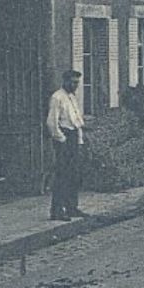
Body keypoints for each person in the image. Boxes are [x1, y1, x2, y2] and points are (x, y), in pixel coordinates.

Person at [45, 69, 87, 221]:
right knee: (62, 174)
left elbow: (76, 121)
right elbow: (51, 122)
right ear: (65, 81)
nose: (75, 85)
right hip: (64, 138)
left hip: (73, 137)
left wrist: (79, 140)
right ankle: (57, 210)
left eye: (77, 83)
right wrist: (61, 139)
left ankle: (71, 207)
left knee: (73, 174)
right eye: (73, 82)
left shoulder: (72, 97)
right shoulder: (57, 97)